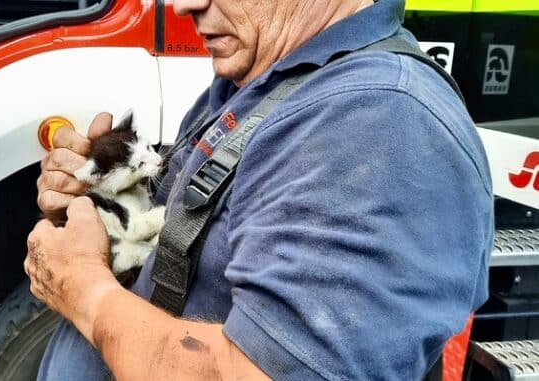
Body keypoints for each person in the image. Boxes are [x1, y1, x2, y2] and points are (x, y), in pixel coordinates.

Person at [26, 0, 493, 379]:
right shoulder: (264, 78)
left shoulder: (379, 126)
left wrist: (83, 290)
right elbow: (181, 229)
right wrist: (106, 195)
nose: (184, 5)